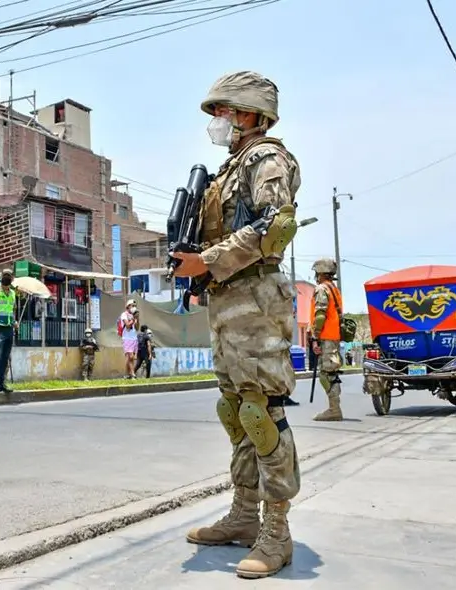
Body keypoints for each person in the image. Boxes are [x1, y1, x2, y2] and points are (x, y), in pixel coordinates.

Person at [171, 71, 302, 579]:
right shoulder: (229, 168)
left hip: (256, 301)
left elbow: (274, 228)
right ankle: (245, 516)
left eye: (223, 113)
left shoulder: (267, 158)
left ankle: (277, 531)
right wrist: (198, 273)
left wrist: (207, 261)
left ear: (248, 114)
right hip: (226, 302)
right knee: (234, 409)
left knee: (261, 411)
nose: (217, 123)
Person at [309, 258, 345, 422]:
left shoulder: (322, 289)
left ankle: (334, 410)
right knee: (332, 373)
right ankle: (334, 408)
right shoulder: (334, 289)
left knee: (327, 375)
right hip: (334, 336)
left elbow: (321, 314)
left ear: (321, 272)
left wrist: (315, 336)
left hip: (326, 336)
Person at [118, 300, 139, 378]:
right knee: (130, 357)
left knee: (131, 358)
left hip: (134, 338)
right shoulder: (124, 314)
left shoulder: (134, 315)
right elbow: (127, 325)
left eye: (135, 305)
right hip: (127, 338)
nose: (134, 307)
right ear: (128, 306)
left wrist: (137, 319)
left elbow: (137, 328)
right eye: (132, 305)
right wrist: (133, 319)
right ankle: (133, 374)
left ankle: (127, 374)